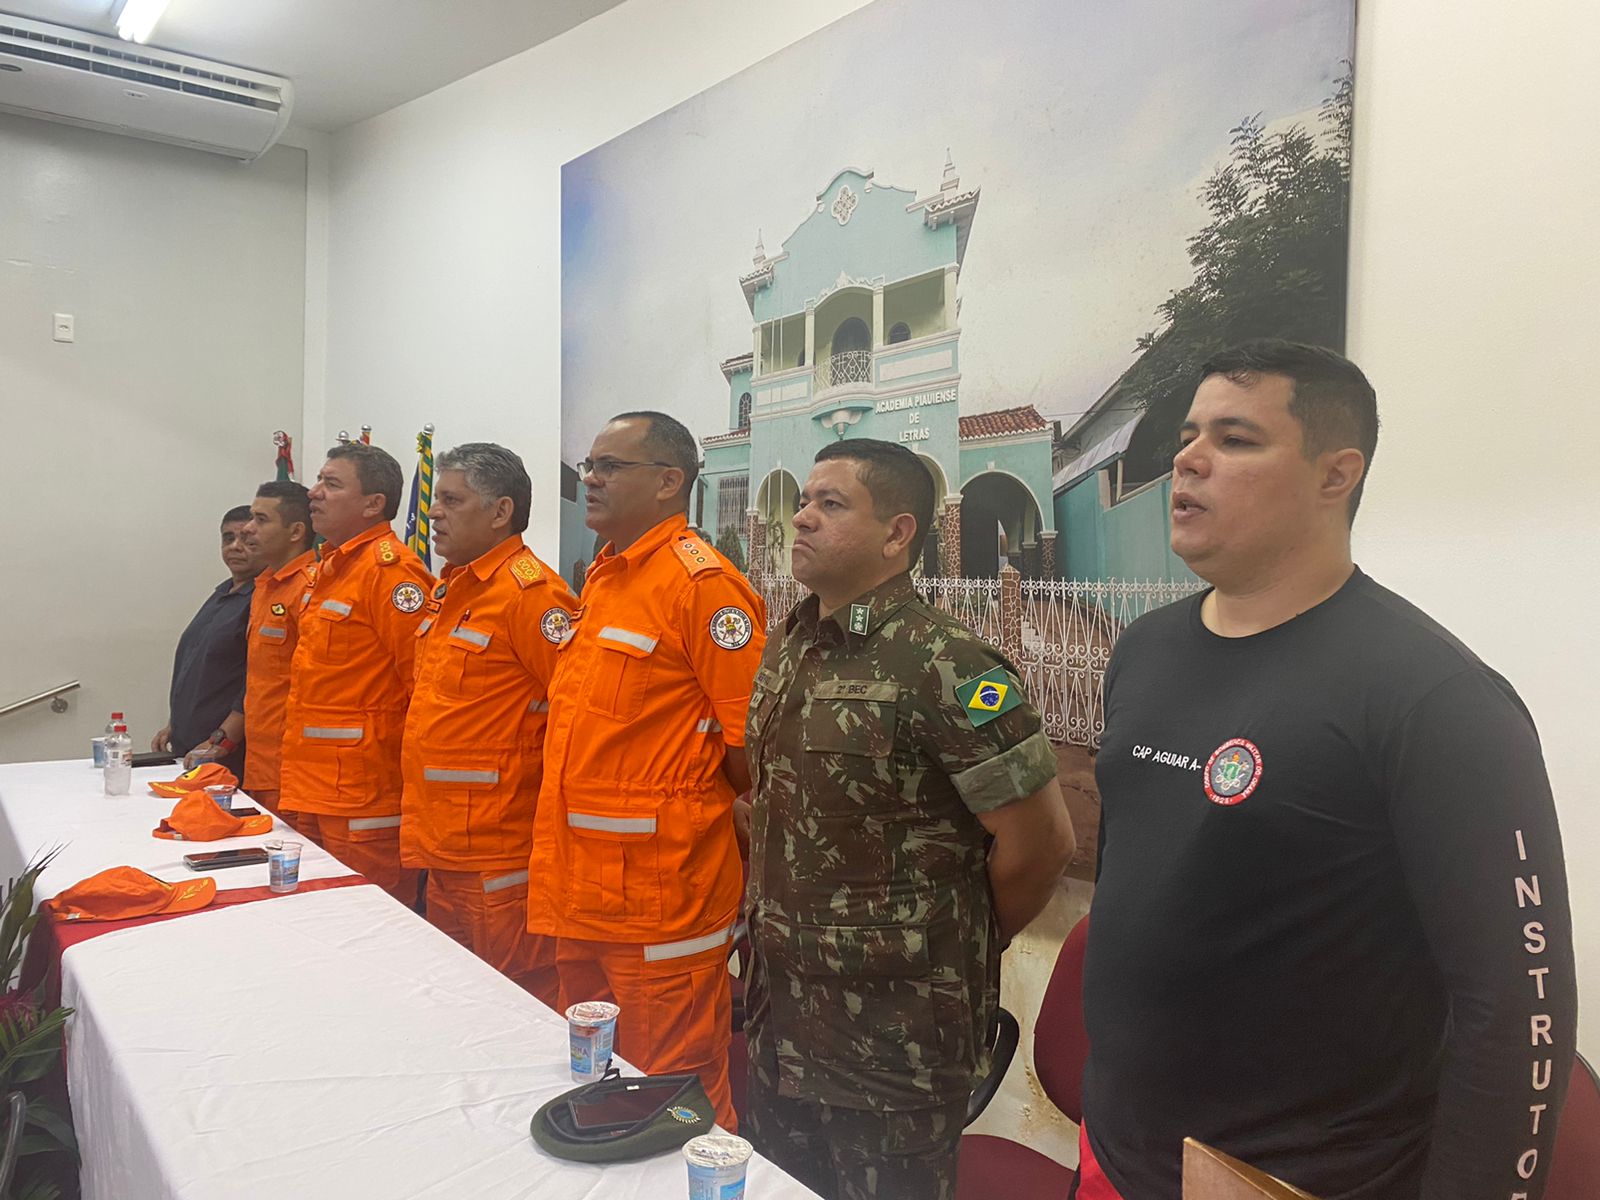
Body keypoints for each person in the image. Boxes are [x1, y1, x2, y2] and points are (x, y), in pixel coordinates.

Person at [1081, 340, 1576, 1200]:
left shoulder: (1434, 697)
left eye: (1235, 439)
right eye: (1190, 433)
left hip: (1298, 1180)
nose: (1188, 457)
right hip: (1115, 1155)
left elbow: (1515, 1016)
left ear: (1334, 474)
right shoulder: (1145, 649)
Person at [741, 439, 1075, 1200]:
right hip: (779, 1020)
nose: (803, 518)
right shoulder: (790, 645)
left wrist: (953, 946)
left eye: (831, 504)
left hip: (890, 1046)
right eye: (803, 501)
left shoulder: (949, 663)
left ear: (897, 534)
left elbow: (1041, 845)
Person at [527, 411, 765, 1130]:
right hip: (583, 893)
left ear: (670, 482)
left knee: (675, 1096)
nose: (590, 479)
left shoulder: (704, 588)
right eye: (589, 465)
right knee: (594, 1085)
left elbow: (751, 747)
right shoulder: (605, 581)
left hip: (663, 900)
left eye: (609, 467)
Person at [400, 443, 577, 1005]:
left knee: (518, 1004)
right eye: (436, 502)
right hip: (446, 845)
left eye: (451, 500)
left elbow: (573, 712)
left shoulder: (533, 597)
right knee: (458, 1002)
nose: (435, 514)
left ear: (501, 511)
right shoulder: (452, 592)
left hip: (501, 850)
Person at [278, 443, 433, 903]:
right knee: (316, 924)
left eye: (332, 483)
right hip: (311, 788)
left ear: (373, 504)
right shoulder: (331, 569)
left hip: (364, 797)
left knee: (372, 929)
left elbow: (422, 682)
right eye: (318, 480)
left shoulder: (392, 573)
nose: (314, 493)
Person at [220, 481, 318, 820]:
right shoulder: (266, 587)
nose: (248, 529)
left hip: (293, 768)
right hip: (260, 762)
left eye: (261, 520)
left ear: (295, 532)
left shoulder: (310, 586)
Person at [152, 506, 261, 776]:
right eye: (228, 538)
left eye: (247, 541)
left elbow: (255, 681)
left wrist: (222, 740)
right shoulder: (223, 593)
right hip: (191, 746)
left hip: (227, 750)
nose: (235, 547)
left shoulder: (262, 599)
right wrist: (173, 724)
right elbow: (202, 667)